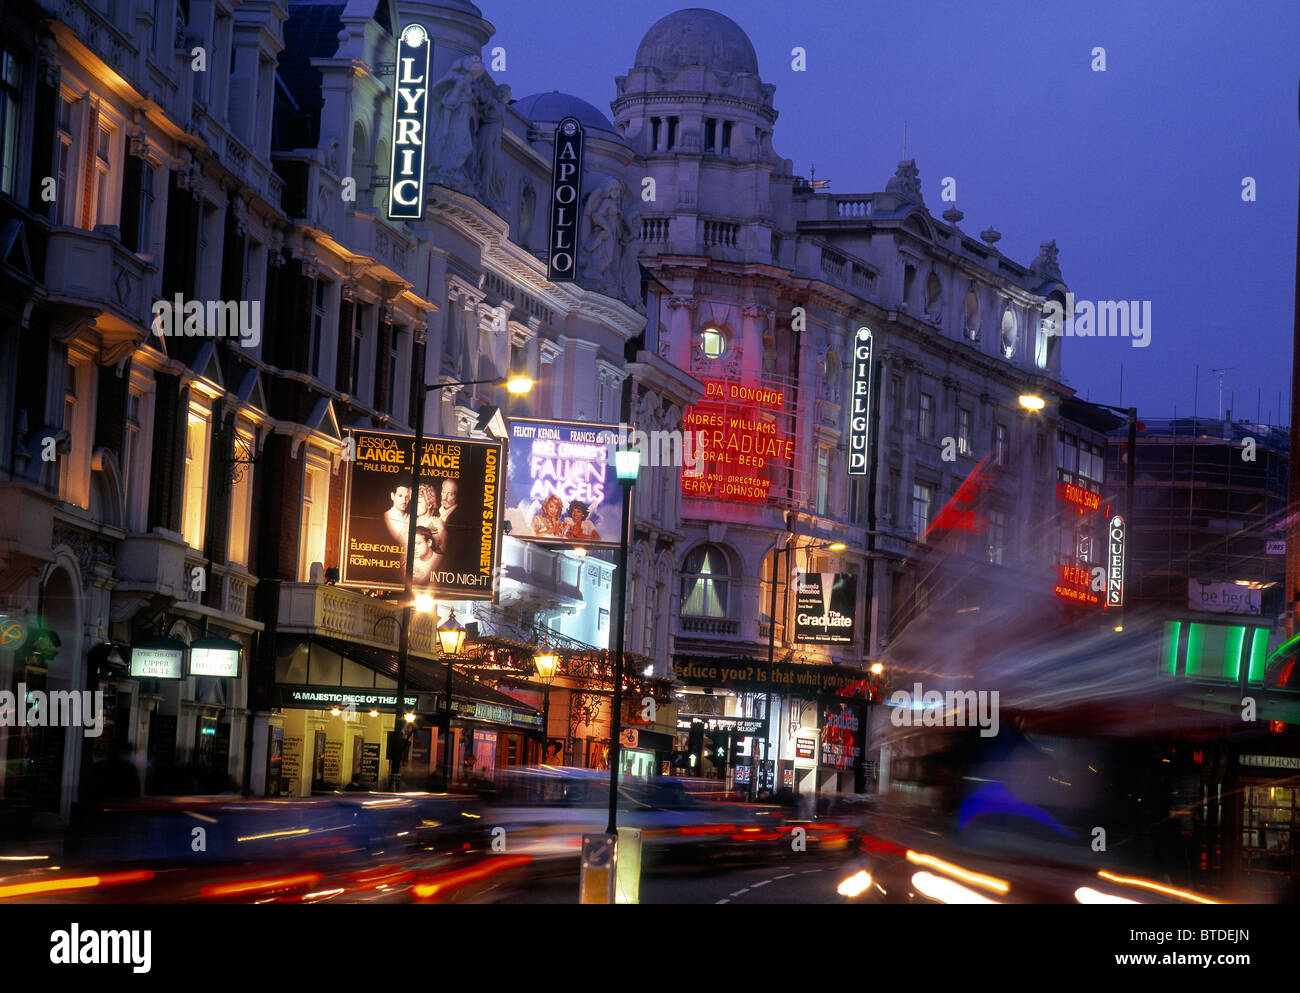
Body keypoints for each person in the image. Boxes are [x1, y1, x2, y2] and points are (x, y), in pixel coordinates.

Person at [384, 481, 412, 546]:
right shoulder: (384, 517)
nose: (404, 501)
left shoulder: (413, 519)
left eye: (407, 497)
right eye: (400, 496)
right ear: (392, 496)